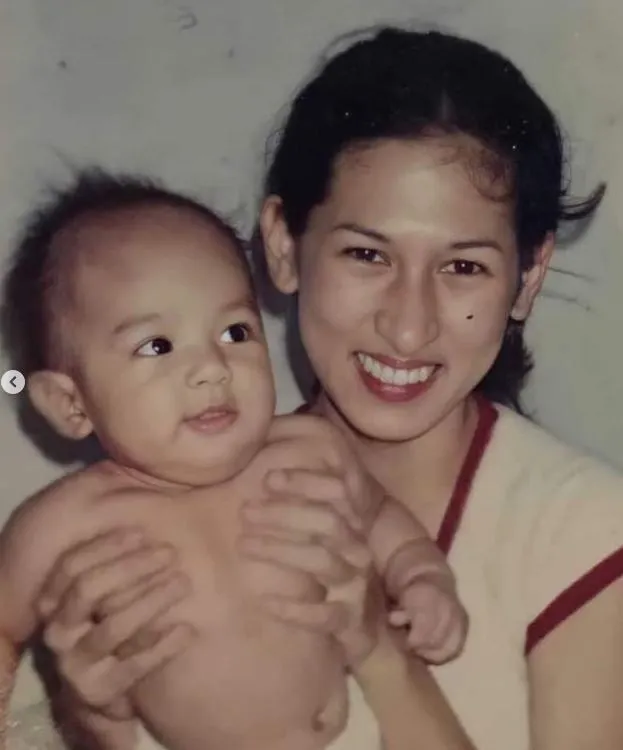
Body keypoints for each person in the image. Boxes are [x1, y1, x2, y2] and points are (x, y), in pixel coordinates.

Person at [28, 25, 623, 750]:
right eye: (366, 254)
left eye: (462, 267)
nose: (408, 329)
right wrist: (95, 722)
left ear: (525, 279)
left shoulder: (580, 533)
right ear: (282, 246)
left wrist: (381, 657)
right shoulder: (162, 500)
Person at [0, 170, 467, 750]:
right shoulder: (61, 524)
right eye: (157, 346)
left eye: (234, 331)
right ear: (71, 404)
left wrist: (424, 579)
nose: (213, 368)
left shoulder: (308, 448)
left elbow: (384, 522)